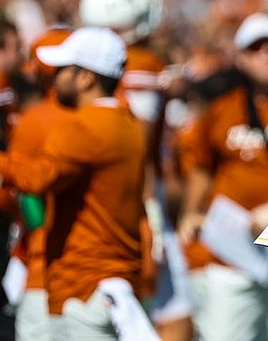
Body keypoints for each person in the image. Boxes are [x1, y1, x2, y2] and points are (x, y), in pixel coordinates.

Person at [0, 26, 159, 340]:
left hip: (83, 284)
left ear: (86, 78)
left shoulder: (83, 126)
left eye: (63, 69)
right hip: (111, 281)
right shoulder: (128, 123)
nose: (54, 77)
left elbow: (36, 178)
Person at [176, 12, 268, 341]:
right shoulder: (220, 109)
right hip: (232, 255)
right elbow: (202, 166)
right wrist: (191, 212)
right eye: (255, 48)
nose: (266, 54)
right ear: (238, 57)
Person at [79, 0, 194, 340]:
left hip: (100, 201)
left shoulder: (87, 62)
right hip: (140, 199)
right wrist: (153, 214)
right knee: (170, 307)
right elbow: (140, 149)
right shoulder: (143, 64)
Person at [8, 27, 73, 341]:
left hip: (47, 265)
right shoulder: (120, 115)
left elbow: (26, 199)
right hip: (107, 271)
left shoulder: (37, 120)